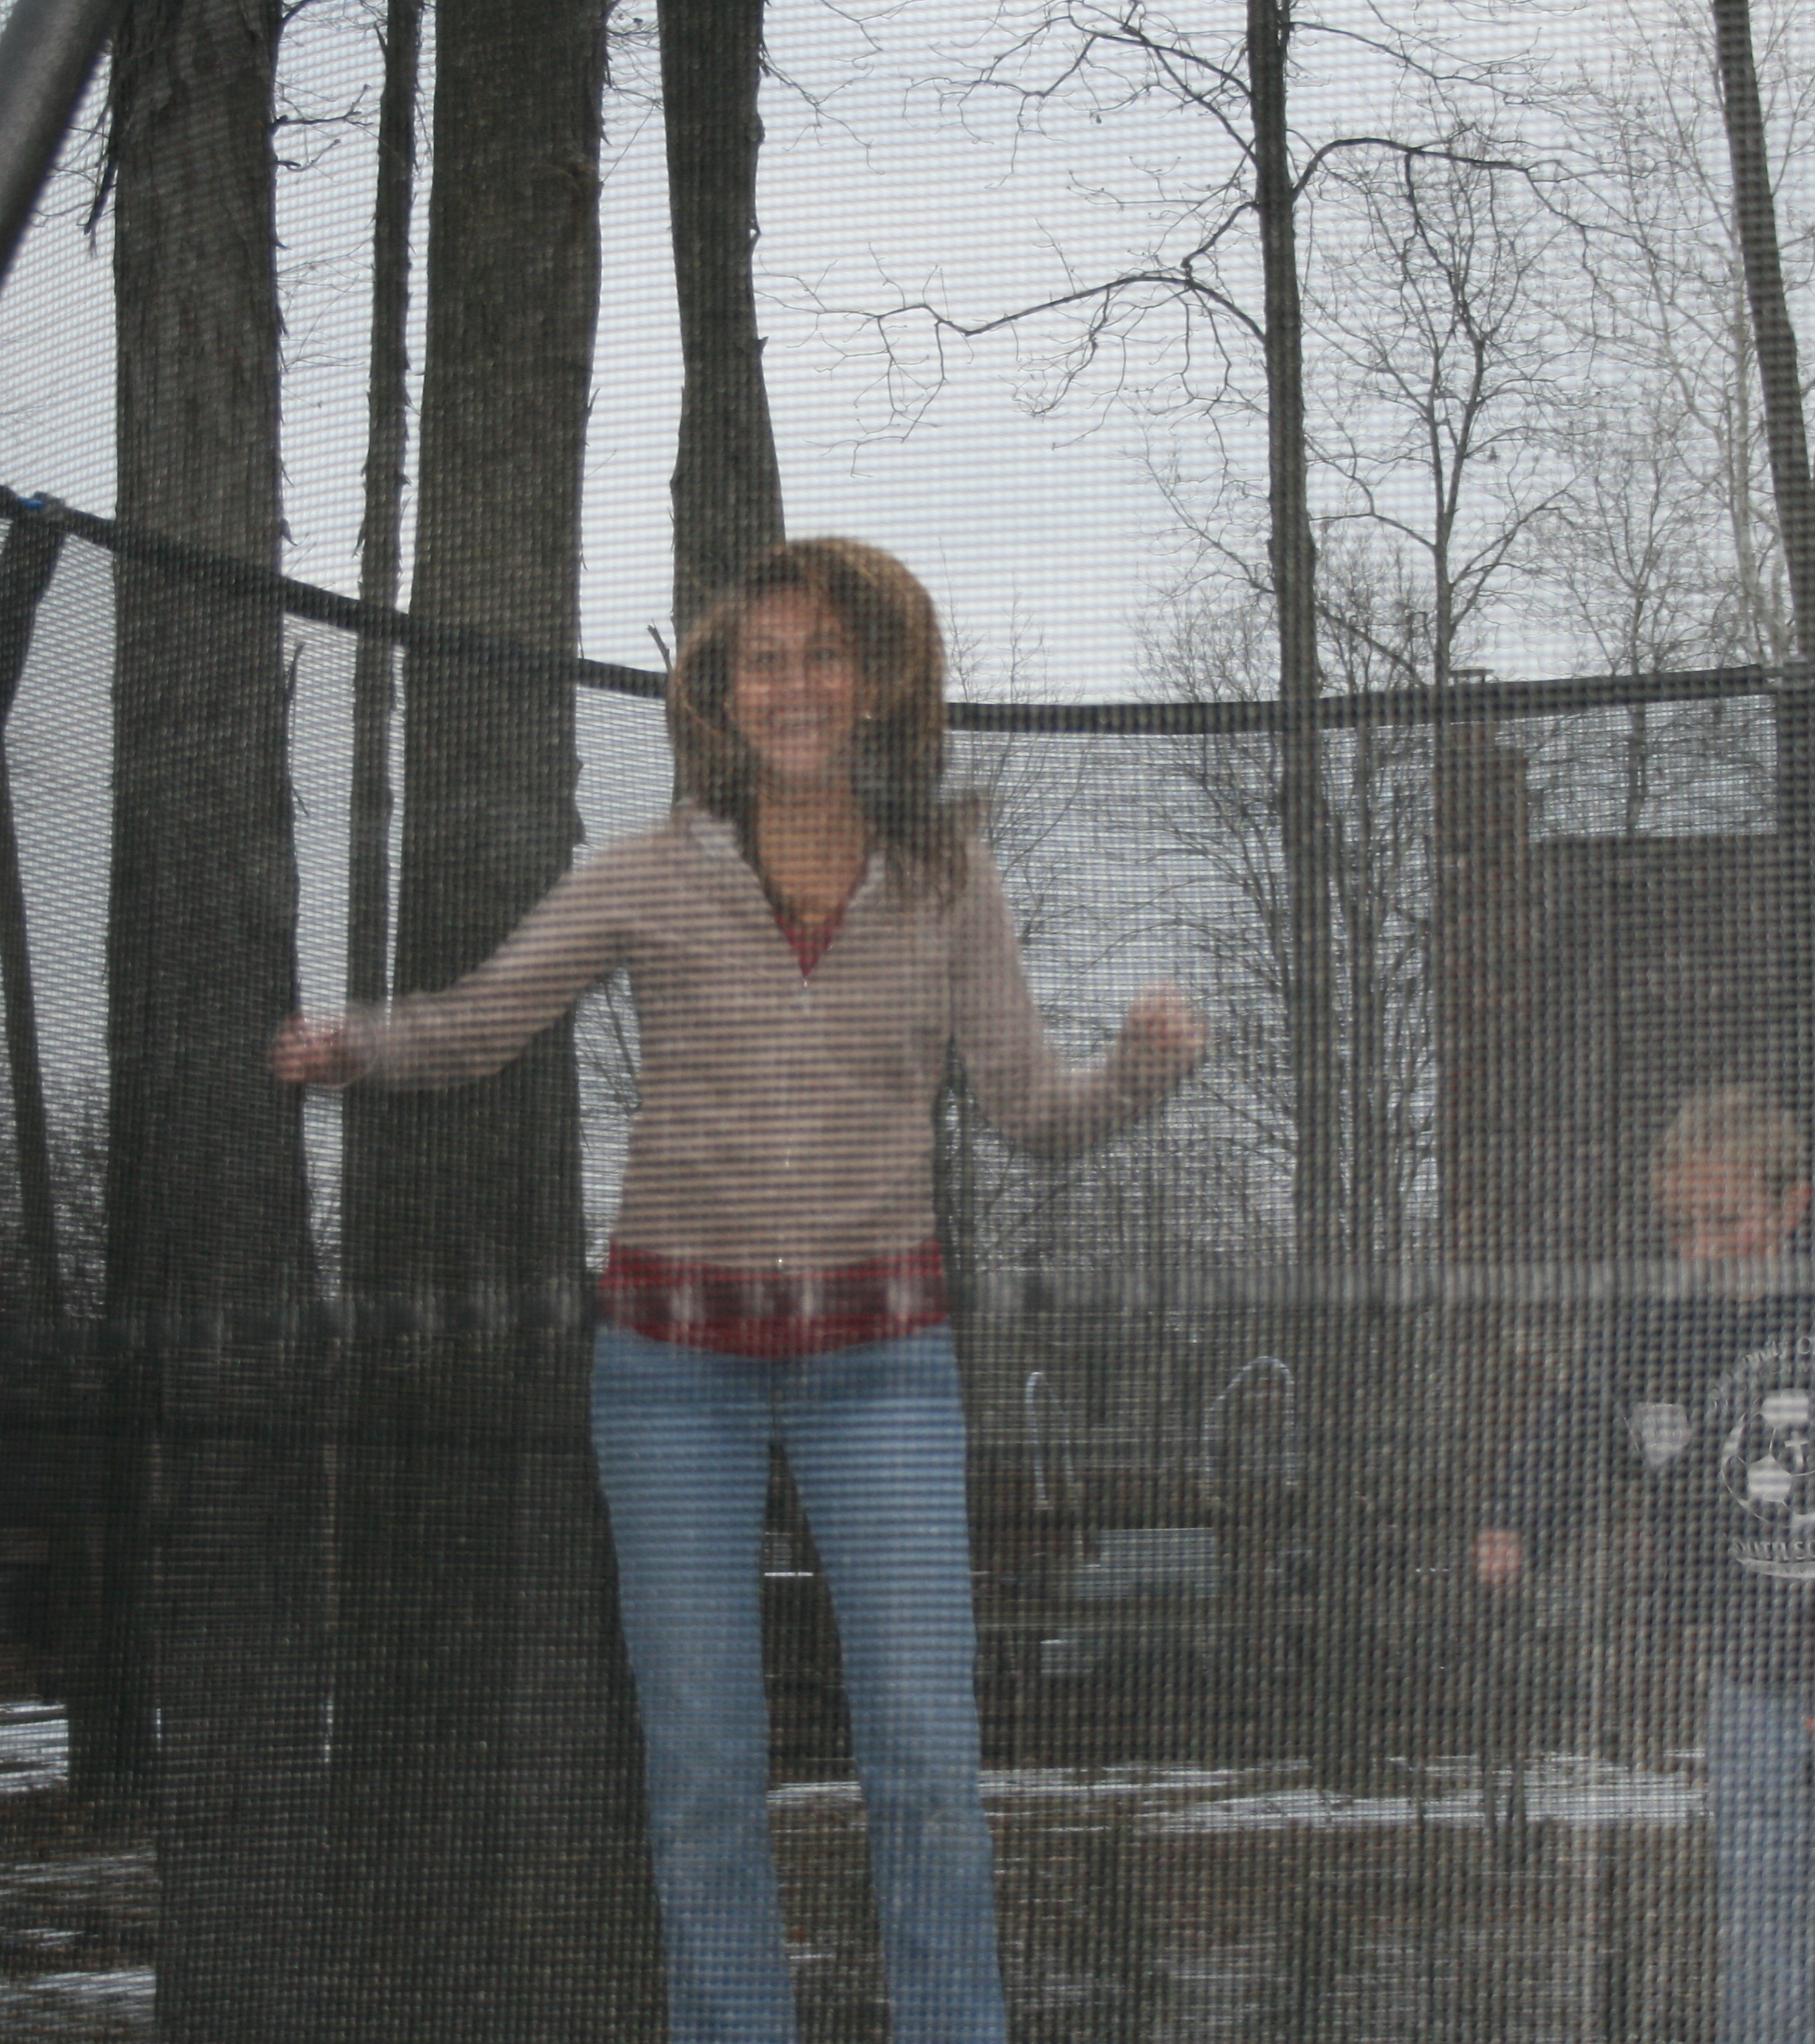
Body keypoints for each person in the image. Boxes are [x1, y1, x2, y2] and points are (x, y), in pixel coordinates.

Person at [274, 536, 1205, 2044]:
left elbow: (1030, 1109)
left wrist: (1139, 1072)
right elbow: (487, 1019)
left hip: (880, 1367)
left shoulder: (941, 879)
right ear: (717, 694)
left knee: (925, 1754)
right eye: (760, 659)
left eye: (824, 652)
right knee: (701, 1763)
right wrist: (356, 1046)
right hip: (673, 1373)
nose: (793, 683)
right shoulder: (649, 871)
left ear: (879, 680)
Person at [1474, 1084, 1815, 2044]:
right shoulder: (1658, 1335)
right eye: (1683, 1226)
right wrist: (1518, 1522)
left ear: (1792, 1204)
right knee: (1763, 1919)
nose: (1705, 1245)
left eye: (1728, 1219)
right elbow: (1575, 1426)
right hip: (1752, 1675)